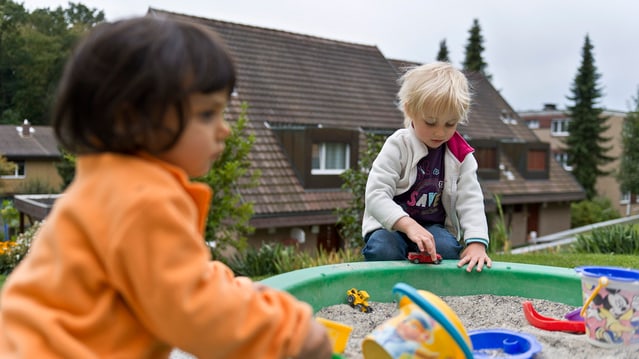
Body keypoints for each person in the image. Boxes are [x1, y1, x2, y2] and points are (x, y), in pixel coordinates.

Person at [0, 16, 331, 359]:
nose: (224, 130)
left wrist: (237, 290)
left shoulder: (109, 181)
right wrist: (291, 333)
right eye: (207, 115)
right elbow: (198, 313)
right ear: (133, 119)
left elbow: (181, 276)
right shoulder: (142, 200)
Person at [361, 62, 492, 272]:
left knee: (447, 250)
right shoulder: (398, 145)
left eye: (450, 124)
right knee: (383, 250)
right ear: (410, 110)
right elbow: (376, 195)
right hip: (390, 227)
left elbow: (470, 200)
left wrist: (476, 243)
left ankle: (434, 293)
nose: (440, 133)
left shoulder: (461, 155)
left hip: (432, 227)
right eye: (430, 123)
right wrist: (408, 225)